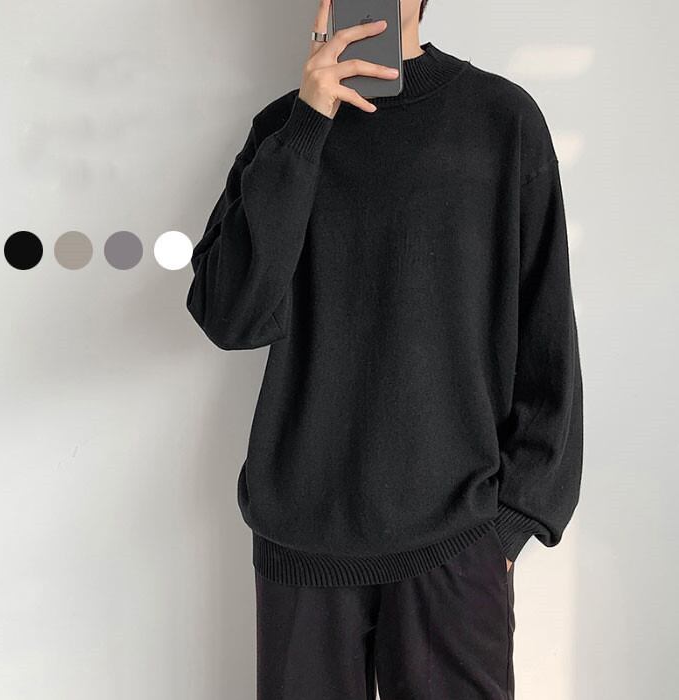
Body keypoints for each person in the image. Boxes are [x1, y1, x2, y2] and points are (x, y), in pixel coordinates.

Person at [186, 0, 584, 697]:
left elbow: (546, 329)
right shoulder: (282, 130)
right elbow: (230, 316)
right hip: (303, 539)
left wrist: (516, 521)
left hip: (456, 538)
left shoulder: (501, 120)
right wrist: (309, 124)